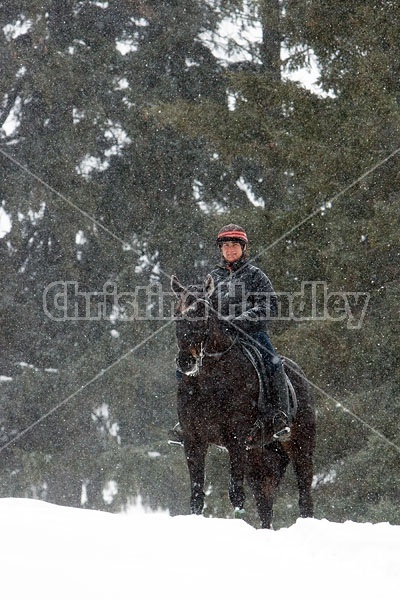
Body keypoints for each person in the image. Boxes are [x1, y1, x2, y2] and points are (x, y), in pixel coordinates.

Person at [211, 224, 291, 444]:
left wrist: (239, 322)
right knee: (186, 364)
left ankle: (278, 415)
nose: (230, 250)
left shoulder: (256, 276)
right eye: (225, 245)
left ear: (243, 248)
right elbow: (204, 308)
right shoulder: (212, 278)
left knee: (273, 362)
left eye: (234, 245)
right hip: (220, 338)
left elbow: (269, 306)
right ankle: (187, 419)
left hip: (252, 335)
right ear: (220, 249)